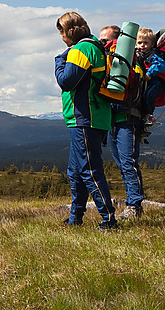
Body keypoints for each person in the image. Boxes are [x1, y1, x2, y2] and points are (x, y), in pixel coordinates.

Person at [54, 12, 118, 230]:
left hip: (85, 118)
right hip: (94, 117)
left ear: (68, 31)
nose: (61, 37)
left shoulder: (82, 49)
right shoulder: (95, 47)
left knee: (89, 170)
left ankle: (109, 219)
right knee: (76, 171)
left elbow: (66, 81)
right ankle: (75, 217)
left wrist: (59, 60)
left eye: (61, 33)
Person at [100, 25, 146, 220]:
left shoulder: (130, 61)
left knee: (128, 162)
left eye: (106, 40)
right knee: (123, 163)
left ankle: (134, 206)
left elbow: (136, 82)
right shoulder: (112, 62)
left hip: (128, 119)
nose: (102, 44)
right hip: (115, 120)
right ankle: (133, 204)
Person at [136, 27, 165, 128]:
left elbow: (160, 64)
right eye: (140, 42)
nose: (142, 45)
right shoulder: (136, 54)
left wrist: (149, 73)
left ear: (152, 44)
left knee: (149, 95)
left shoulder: (153, 55)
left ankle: (148, 115)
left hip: (156, 82)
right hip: (144, 82)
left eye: (146, 43)